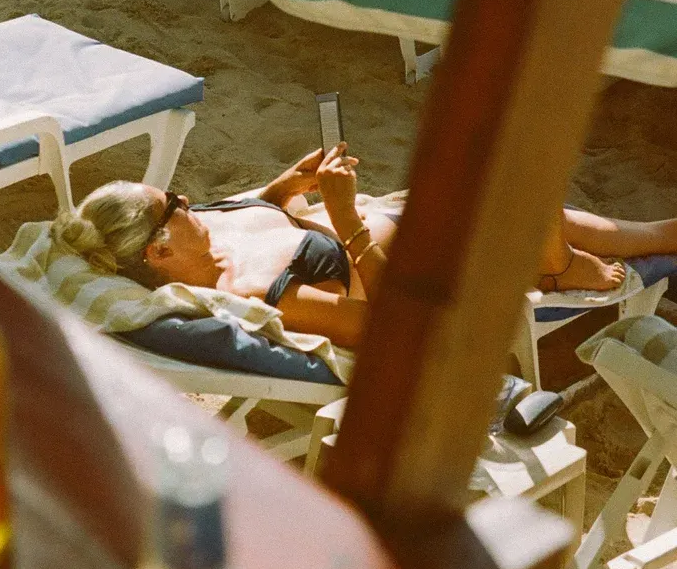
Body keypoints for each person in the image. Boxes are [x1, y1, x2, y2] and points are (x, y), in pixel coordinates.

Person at [51, 146, 677, 351]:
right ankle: (563, 272)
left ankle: (632, 243)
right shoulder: (251, 292)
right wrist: (348, 218)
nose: (187, 199)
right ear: (158, 251)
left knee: (636, 230)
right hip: (443, 267)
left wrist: (285, 188)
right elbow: (388, 326)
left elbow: (265, 209)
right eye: (173, 204)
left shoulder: (204, 227)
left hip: (410, 219)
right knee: (527, 188)